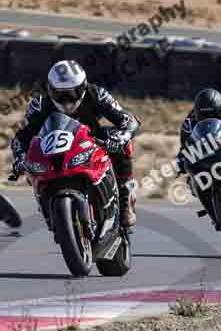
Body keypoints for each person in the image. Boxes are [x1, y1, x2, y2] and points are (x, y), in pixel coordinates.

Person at [11, 60, 141, 227]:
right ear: (50, 90)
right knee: (31, 165)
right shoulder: (39, 104)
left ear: (83, 87)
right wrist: (20, 158)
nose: (67, 101)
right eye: (60, 95)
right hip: (53, 151)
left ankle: (125, 197)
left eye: (72, 94)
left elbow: (127, 119)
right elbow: (20, 138)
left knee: (124, 144)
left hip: (92, 144)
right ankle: (46, 205)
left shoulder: (96, 94)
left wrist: (123, 135)